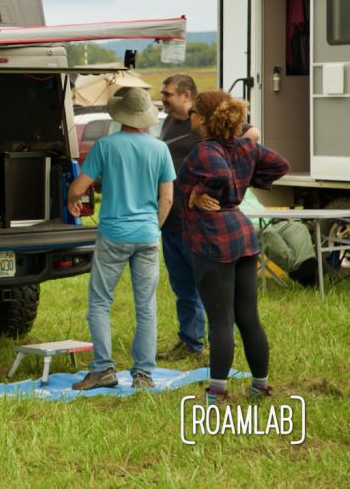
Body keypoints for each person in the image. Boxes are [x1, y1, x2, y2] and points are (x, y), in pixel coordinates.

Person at [176, 90, 289, 405]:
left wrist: (200, 191)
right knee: (248, 316)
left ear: (204, 118)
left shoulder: (204, 150)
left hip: (214, 238)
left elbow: (218, 173)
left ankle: (217, 392)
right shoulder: (245, 146)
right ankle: (260, 386)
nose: (190, 117)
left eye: (194, 112)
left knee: (221, 319)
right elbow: (281, 164)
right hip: (242, 233)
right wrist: (246, 180)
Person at [67, 87, 175, 390]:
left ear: (120, 115)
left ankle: (103, 369)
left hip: (113, 233)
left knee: (100, 303)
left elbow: (80, 187)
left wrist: (70, 199)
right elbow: (166, 199)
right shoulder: (160, 149)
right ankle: (143, 374)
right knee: (146, 305)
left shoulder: (105, 145)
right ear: (146, 117)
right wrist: (155, 227)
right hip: (147, 234)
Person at [157, 74, 259, 361]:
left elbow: (253, 135)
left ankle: (222, 346)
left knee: (211, 291)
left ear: (187, 95)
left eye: (168, 93)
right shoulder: (169, 123)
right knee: (183, 288)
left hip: (201, 223)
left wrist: (213, 186)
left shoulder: (206, 124)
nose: (163, 98)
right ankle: (190, 341)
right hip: (173, 220)